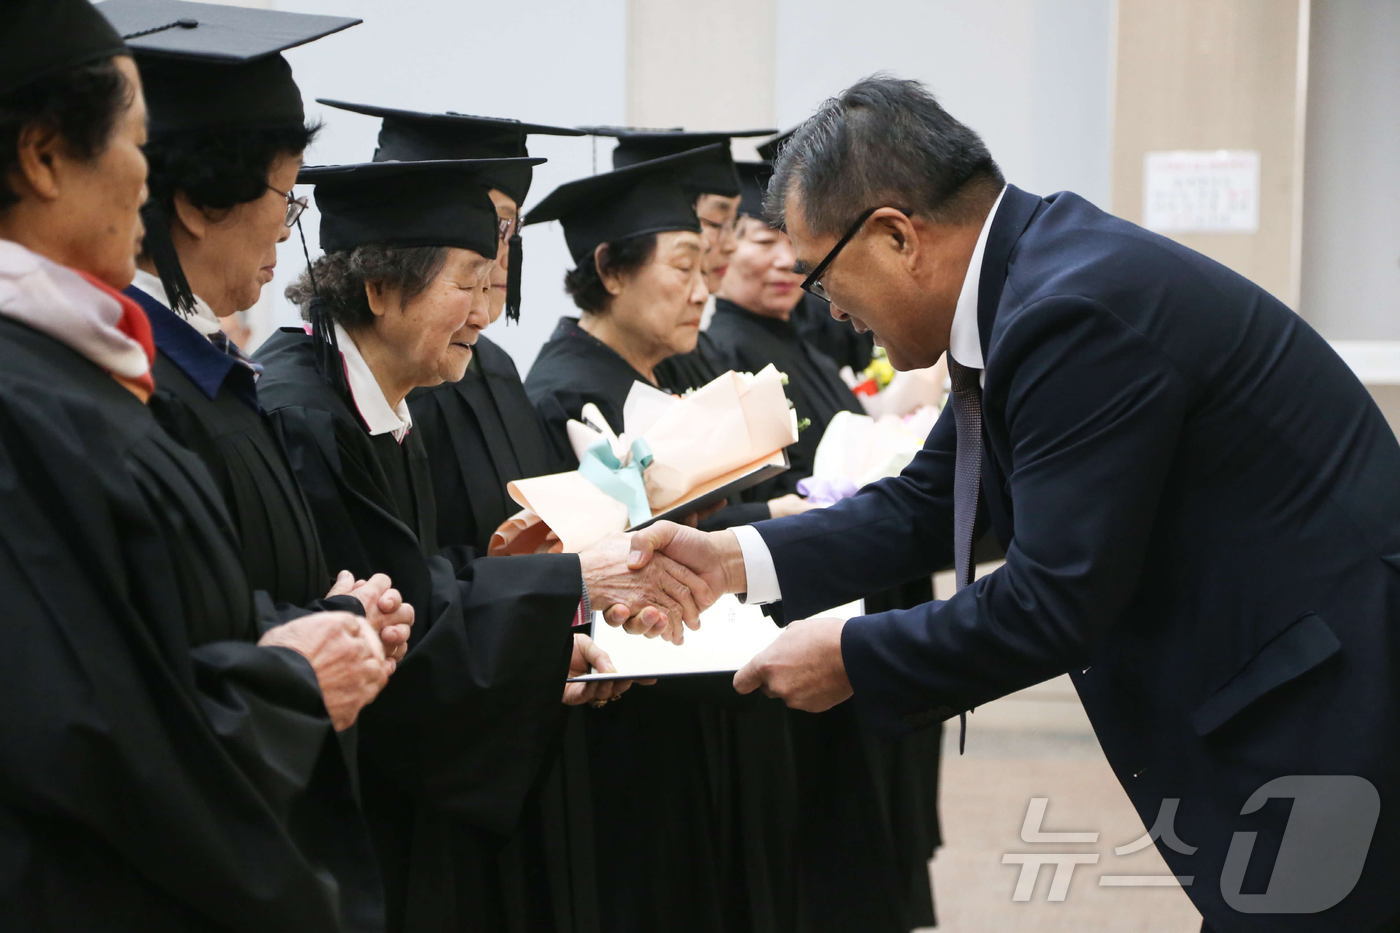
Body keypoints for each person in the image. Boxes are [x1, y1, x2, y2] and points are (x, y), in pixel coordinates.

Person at [633, 76, 1400, 931]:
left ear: (895, 236)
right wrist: (736, 560)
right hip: (1282, 687)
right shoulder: (1026, 281)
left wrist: (852, 654)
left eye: (824, 279)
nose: (836, 314)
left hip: (1323, 709)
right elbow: (931, 503)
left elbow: (1054, 598)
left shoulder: (1071, 311)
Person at [0, 1, 391, 927]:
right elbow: (81, 739)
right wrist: (285, 682)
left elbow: (139, 623)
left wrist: (307, 629)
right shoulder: (25, 406)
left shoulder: (77, 377)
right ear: (46, 155)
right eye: (138, 143)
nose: (148, 176)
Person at [257, 158, 708, 931]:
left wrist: (540, 649)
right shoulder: (304, 415)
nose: (486, 310)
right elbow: (394, 627)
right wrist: (570, 586)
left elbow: (421, 585)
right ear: (380, 289)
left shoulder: (383, 402)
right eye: (466, 282)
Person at [316, 98, 597, 933]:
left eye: (505, 239)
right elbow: (407, 591)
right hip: (415, 780)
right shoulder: (364, 393)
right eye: (477, 250)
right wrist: (551, 611)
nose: (496, 272)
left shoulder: (485, 369)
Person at [111, 1, 413, 655]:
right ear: (197, 202)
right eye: (284, 197)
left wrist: (342, 617)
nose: (286, 227)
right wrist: (327, 625)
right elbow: (175, 638)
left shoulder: (209, 364)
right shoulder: (134, 382)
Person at [707, 159, 943, 932]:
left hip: (863, 593)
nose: (783, 261)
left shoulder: (798, 340)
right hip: (805, 623)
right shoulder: (726, 354)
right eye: (755, 239)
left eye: (792, 244)